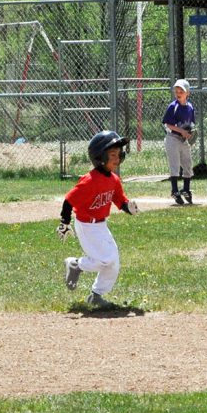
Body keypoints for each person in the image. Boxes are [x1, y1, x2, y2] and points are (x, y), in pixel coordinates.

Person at [57, 130, 139, 309]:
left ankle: (96, 296)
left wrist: (128, 208)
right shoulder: (89, 181)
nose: (117, 159)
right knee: (105, 259)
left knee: (113, 263)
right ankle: (75, 265)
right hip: (86, 225)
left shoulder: (114, 180)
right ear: (100, 157)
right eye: (112, 155)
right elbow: (69, 200)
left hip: (101, 225)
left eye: (119, 154)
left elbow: (120, 200)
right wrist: (64, 222)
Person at [162, 78, 196, 204]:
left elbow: (192, 124)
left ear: (187, 92)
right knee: (175, 165)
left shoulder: (190, 107)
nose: (178, 92)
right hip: (173, 138)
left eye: (181, 90)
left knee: (188, 164)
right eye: (176, 90)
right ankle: (175, 190)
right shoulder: (173, 107)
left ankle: (186, 189)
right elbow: (167, 124)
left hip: (183, 139)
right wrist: (182, 131)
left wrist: (190, 132)